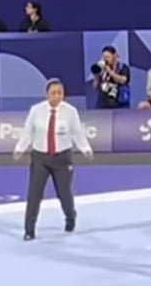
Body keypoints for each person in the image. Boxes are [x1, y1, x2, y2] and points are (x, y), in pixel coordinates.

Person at [14, 79, 93, 241]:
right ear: (47, 95)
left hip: (62, 158)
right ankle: (29, 230)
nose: (57, 96)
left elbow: (77, 133)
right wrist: (20, 148)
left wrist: (85, 149)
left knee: (64, 194)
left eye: (60, 93)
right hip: (40, 158)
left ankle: (70, 216)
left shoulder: (70, 111)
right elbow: (28, 132)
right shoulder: (36, 110)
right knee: (34, 195)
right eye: (53, 93)